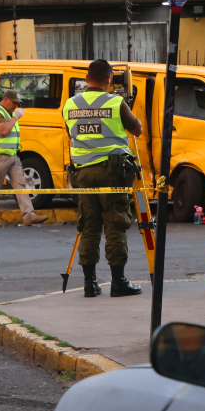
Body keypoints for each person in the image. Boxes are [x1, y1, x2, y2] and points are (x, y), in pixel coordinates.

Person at [63, 60, 144, 298]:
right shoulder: (116, 102)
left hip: (83, 175)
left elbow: (71, 133)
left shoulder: (70, 104)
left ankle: (90, 283)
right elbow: (137, 129)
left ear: (86, 79)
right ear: (109, 79)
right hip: (112, 173)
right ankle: (118, 282)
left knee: (89, 226)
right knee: (115, 225)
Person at [0, 89, 48, 227]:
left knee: (21, 186)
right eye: (14, 103)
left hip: (13, 156)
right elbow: (3, 131)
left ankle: (29, 215)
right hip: (0, 157)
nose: (16, 106)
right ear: (6, 99)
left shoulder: (8, 113)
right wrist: (15, 118)